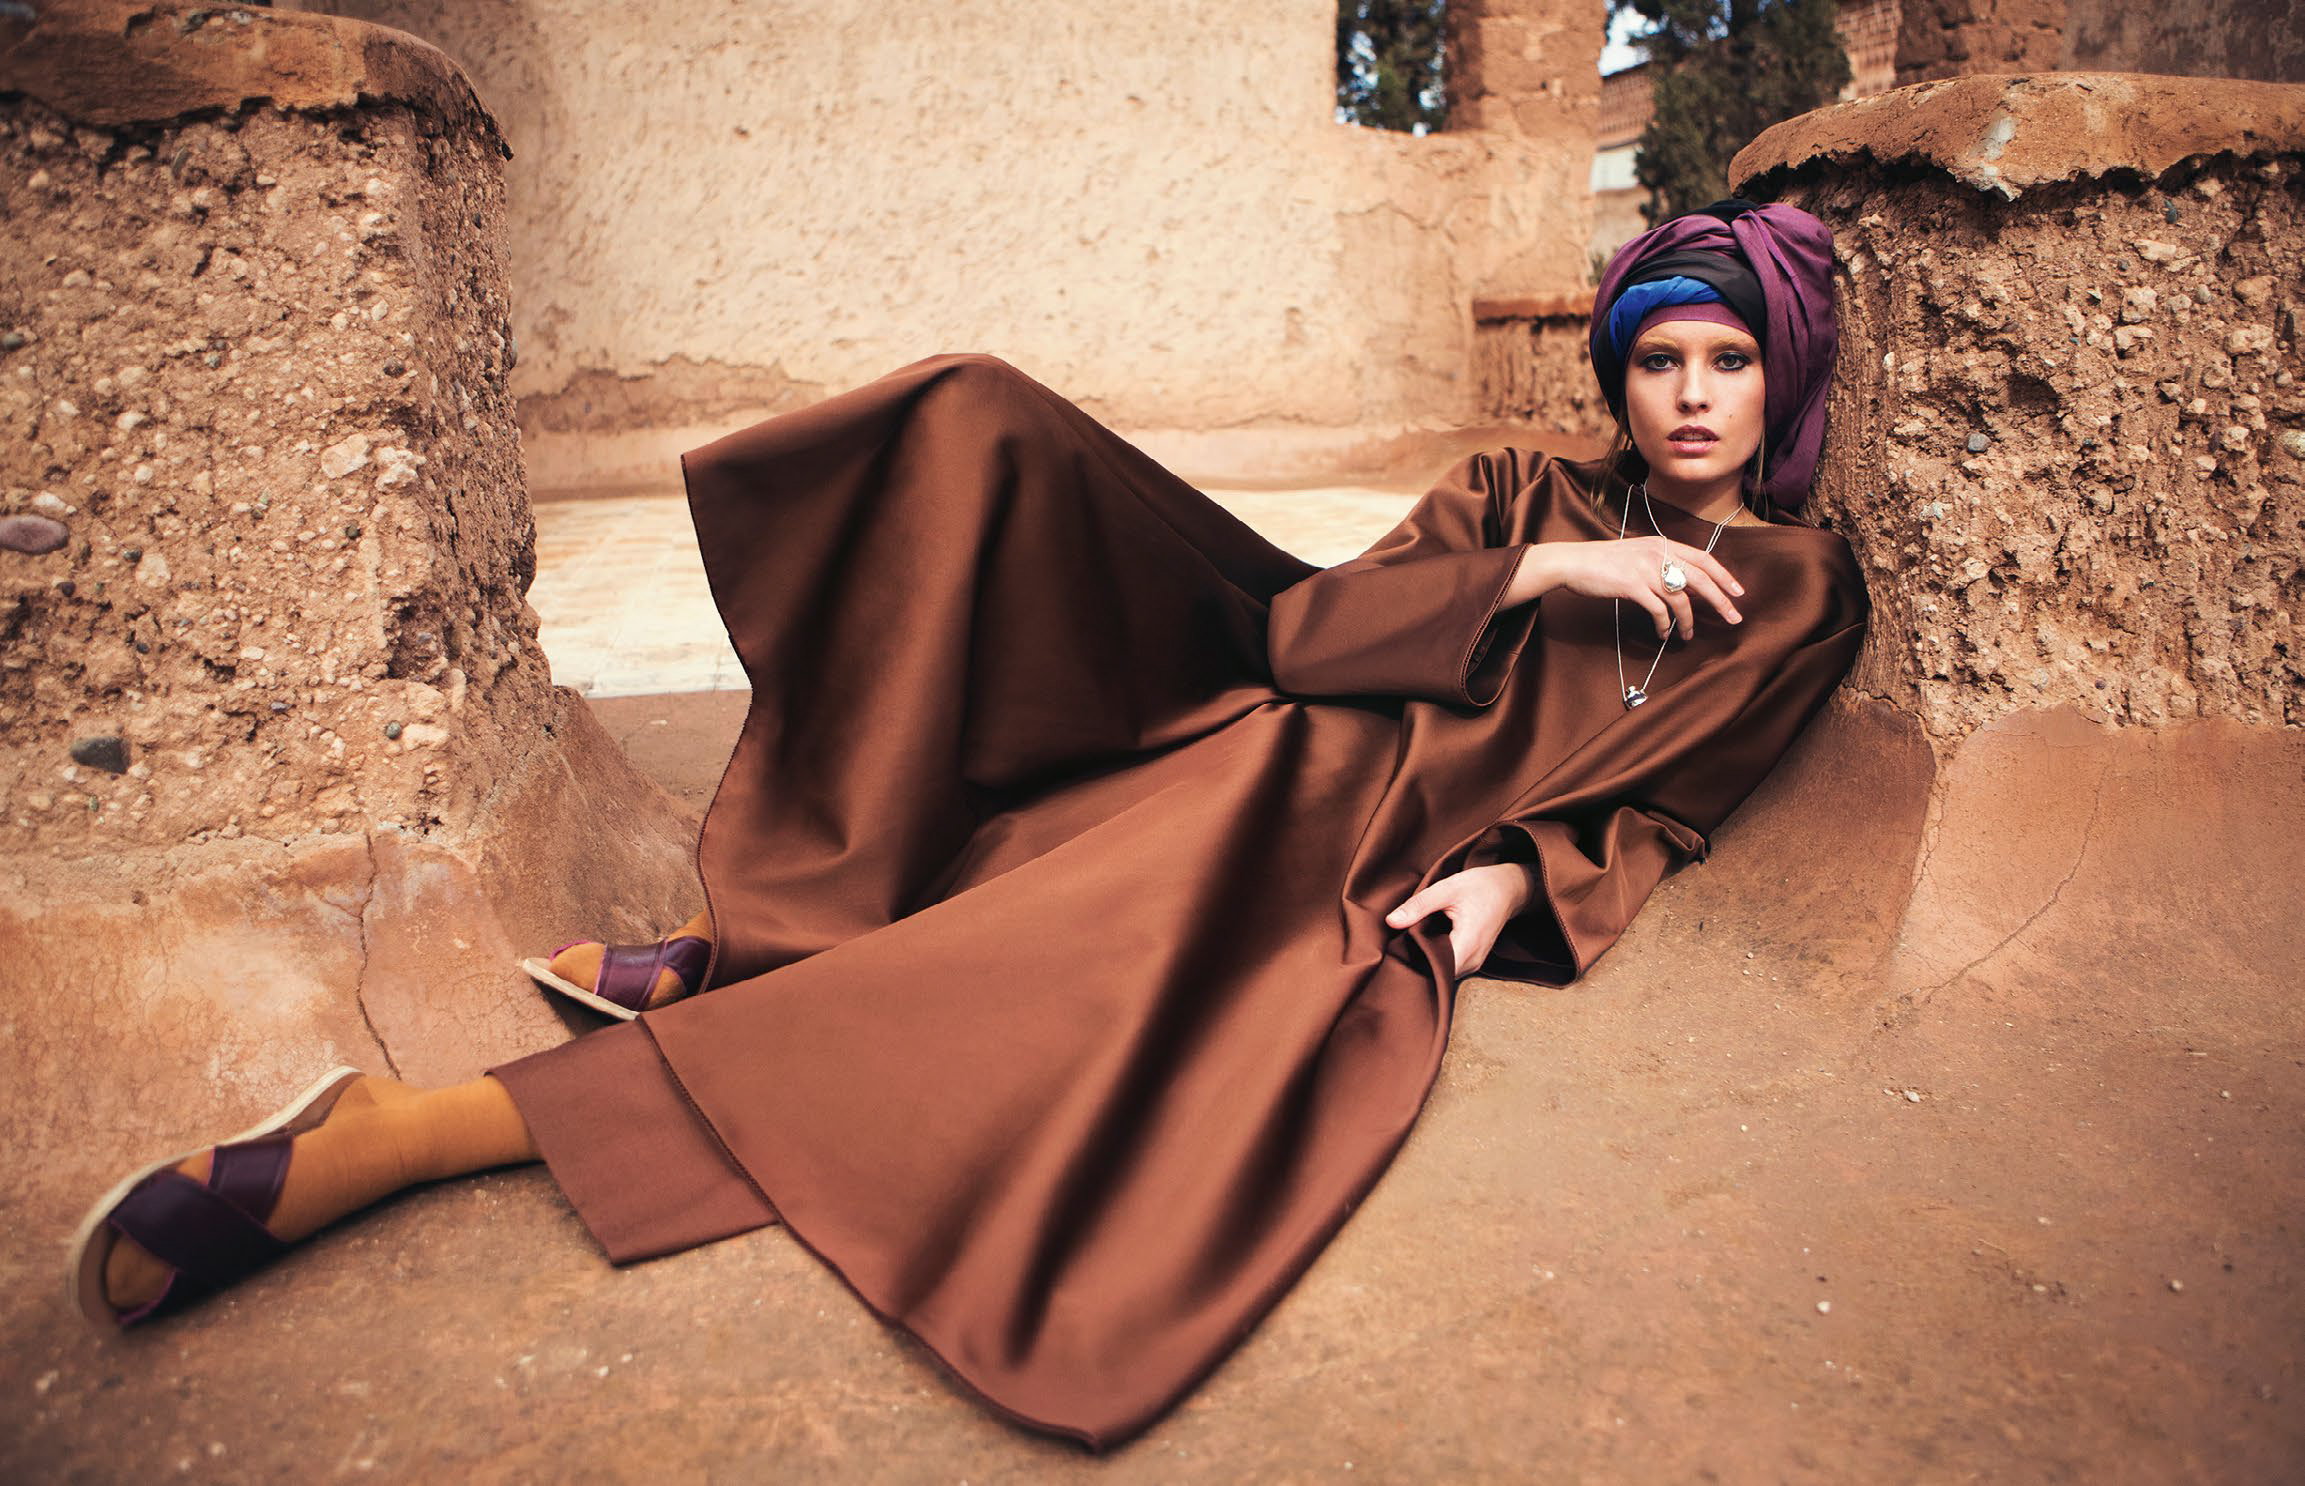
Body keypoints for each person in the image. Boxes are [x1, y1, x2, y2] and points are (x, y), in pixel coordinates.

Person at [70, 199, 1865, 1450]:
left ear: (1778, 376)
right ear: (1616, 377)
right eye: (1657, 359)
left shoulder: (1800, 588)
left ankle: (425, 1128)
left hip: (1375, 862)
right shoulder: (1517, 489)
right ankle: (733, 959)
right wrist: (1539, 567)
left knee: (1030, 1026)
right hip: (1291, 752)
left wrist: (1503, 892)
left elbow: (1669, 800)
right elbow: (1307, 635)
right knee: (977, 426)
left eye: (1727, 359)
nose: (1690, 395)